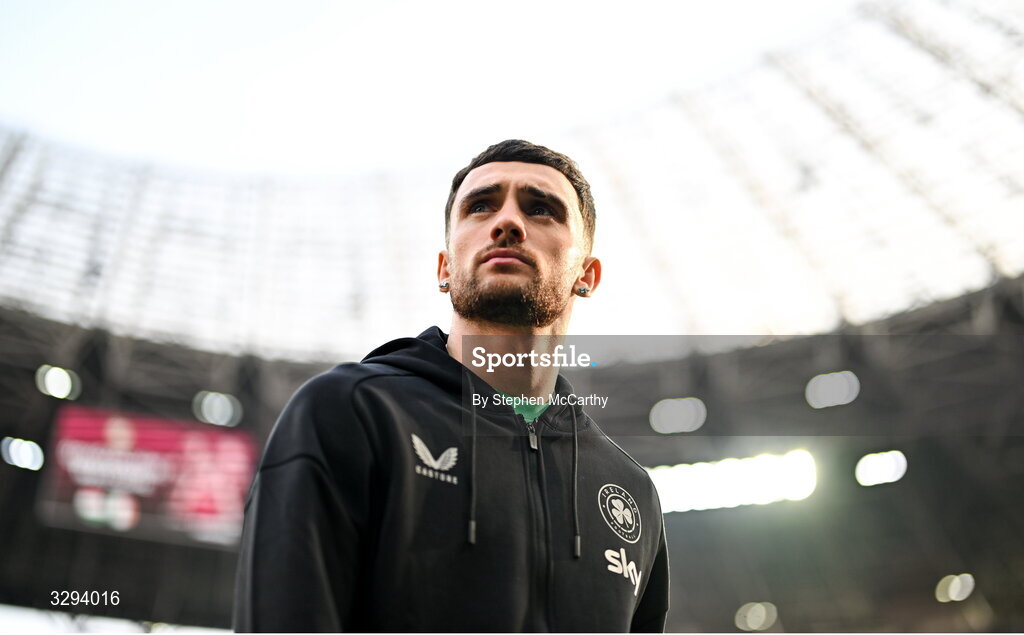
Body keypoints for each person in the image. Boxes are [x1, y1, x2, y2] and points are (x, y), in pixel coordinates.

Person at [233, 140, 669, 632]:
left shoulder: (633, 492)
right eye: (481, 206)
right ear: (445, 267)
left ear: (586, 275)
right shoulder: (350, 412)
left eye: (541, 209)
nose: (507, 223)